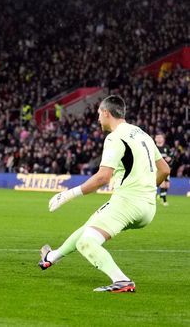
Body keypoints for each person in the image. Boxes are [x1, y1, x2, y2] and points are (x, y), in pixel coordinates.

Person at [39, 95, 170, 293]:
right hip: (147, 208)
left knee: (86, 242)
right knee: (89, 227)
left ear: (107, 113)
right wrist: (148, 191)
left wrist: (67, 195)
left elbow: (103, 177)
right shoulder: (142, 134)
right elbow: (165, 169)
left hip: (127, 202)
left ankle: (122, 281)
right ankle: (51, 257)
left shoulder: (116, 137)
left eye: (99, 114)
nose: (98, 119)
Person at [154, 133, 173, 206]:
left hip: (166, 169)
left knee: (167, 185)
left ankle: (161, 195)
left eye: (160, 137)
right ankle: (164, 201)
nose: (158, 139)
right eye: (157, 137)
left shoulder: (166, 147)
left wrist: (170, 159)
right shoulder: (154, 147)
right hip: (157, 169)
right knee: (162, 184)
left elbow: (172, 156)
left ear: (163, 139)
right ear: (155, 139)